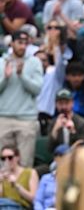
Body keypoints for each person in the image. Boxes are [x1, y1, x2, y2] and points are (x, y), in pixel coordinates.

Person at [0, 31, 43, 167]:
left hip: (27, 119)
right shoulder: (2, 62)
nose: (23, 47)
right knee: (3, 164)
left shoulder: (35, 62)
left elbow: (37, 89)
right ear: (12, 44)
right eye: (19, 43)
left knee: (25, 163)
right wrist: (5, 79)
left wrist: (22, 76)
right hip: (4, 117)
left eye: (25, 43)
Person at [0, 145, 39, 209]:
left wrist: (17, 185)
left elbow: (34, 199)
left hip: (21, 206)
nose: (7, 161)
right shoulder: (2, 174)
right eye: (3, 158)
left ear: (17, 157)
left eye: (10, 157)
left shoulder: (30, 172)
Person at [33, 144, 69, 210]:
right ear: (56, 159)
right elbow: (38, 200)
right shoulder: (46, 178)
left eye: (66, 156)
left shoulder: (72, 180)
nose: (63, 159)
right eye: (60, 156)